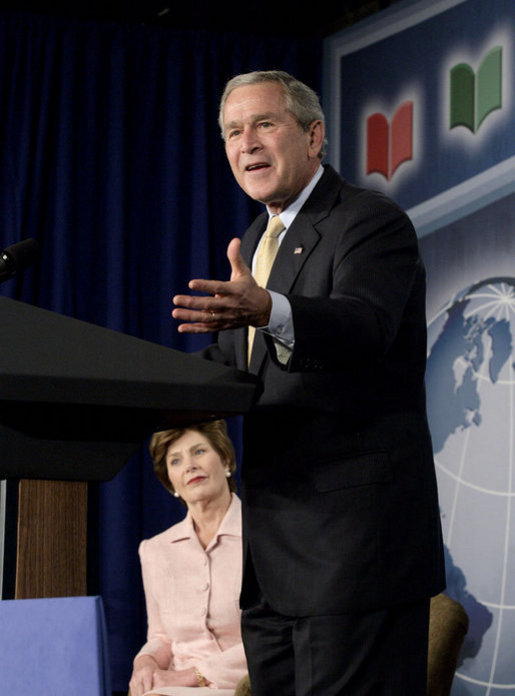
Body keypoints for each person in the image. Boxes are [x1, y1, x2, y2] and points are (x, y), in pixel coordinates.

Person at [172, 70, 445, 696]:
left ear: (314, 135)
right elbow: (237, 366)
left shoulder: (369, 223)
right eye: (233, 132)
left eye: (265, 124)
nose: (248, 144)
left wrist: (267, 309)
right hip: (274, 567)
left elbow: (364, 326)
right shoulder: (267, 241)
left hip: (352, 558)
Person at [129, 420, 247, 696]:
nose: (189, 466)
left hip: (245, 683)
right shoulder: (155, 550)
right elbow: (160, 636)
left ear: (226, 459)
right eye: (176, 461)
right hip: (172, 687)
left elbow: (273, 634)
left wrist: (192, 676)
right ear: (169, 480)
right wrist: (145, 662)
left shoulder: (264, 537)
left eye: (199, 452)